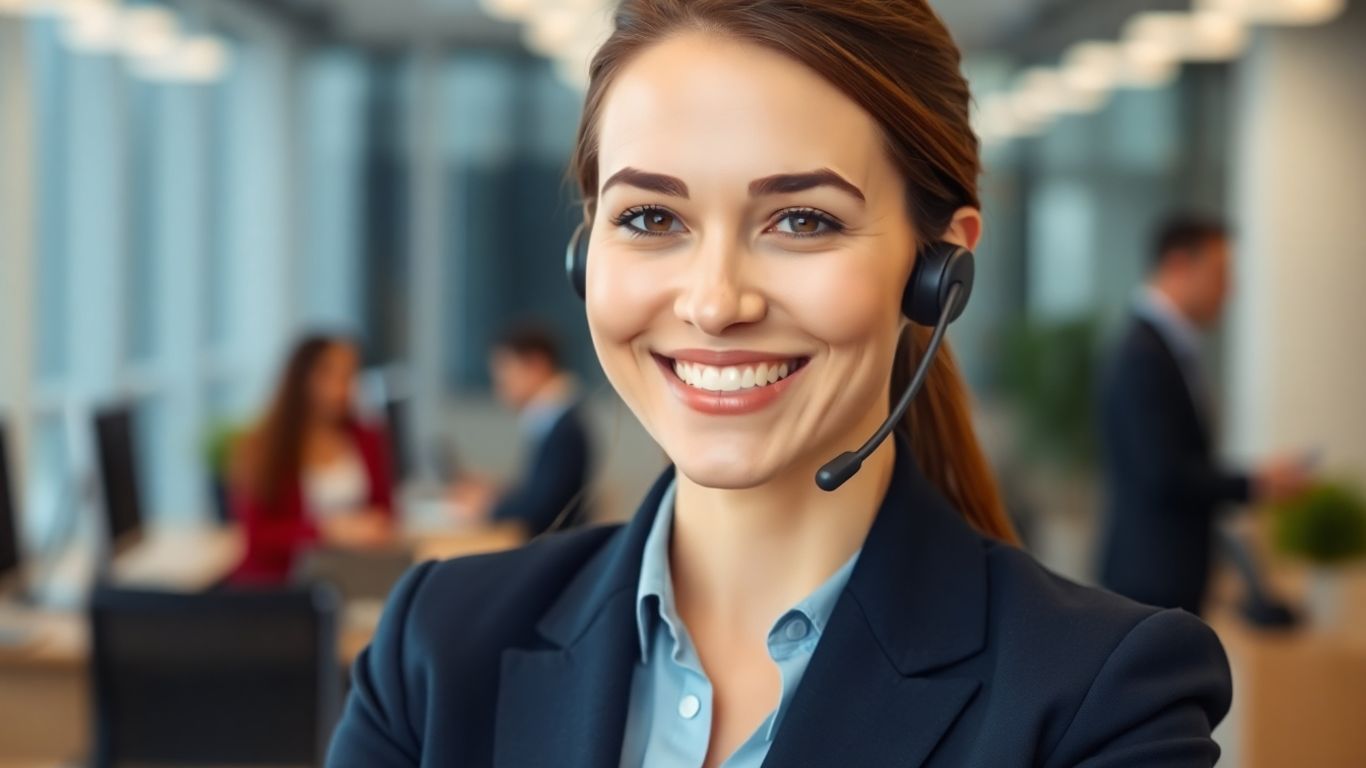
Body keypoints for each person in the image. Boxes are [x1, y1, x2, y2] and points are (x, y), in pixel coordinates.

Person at [328, 3, 1232, 766]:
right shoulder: (436, 652)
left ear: (938, 271)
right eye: (650, 217)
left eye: (801, 220)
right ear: (584, 255)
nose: (716, 302)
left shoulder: (1101, 702)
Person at [1098, 216, 1312, 616]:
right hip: (1151, 579)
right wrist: (1256, 483)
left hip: (1165, 574)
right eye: (1220, 273)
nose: (1230, 290)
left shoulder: (1164, 348)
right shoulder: (1144, 354)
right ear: (1179, 265)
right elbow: (1163, 473)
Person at [229, 334, 396, 585]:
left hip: (353, 574)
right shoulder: (264, 446)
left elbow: (386, 510)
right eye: (330, 375)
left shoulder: (368, 438)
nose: (342, 387)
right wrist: (327, 532)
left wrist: (373, 527)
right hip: (283, 585)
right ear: (302, 378)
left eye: (349, 376)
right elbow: (258, 537)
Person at [449, 325, 594, 536]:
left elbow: (540, 511)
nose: (500, 387)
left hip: (554, 550)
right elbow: (539, 492)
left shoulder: (564, 427)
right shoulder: (552, 418)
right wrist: (496, 493)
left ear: (536, 365)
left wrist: (488, 507)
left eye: (505, 375)